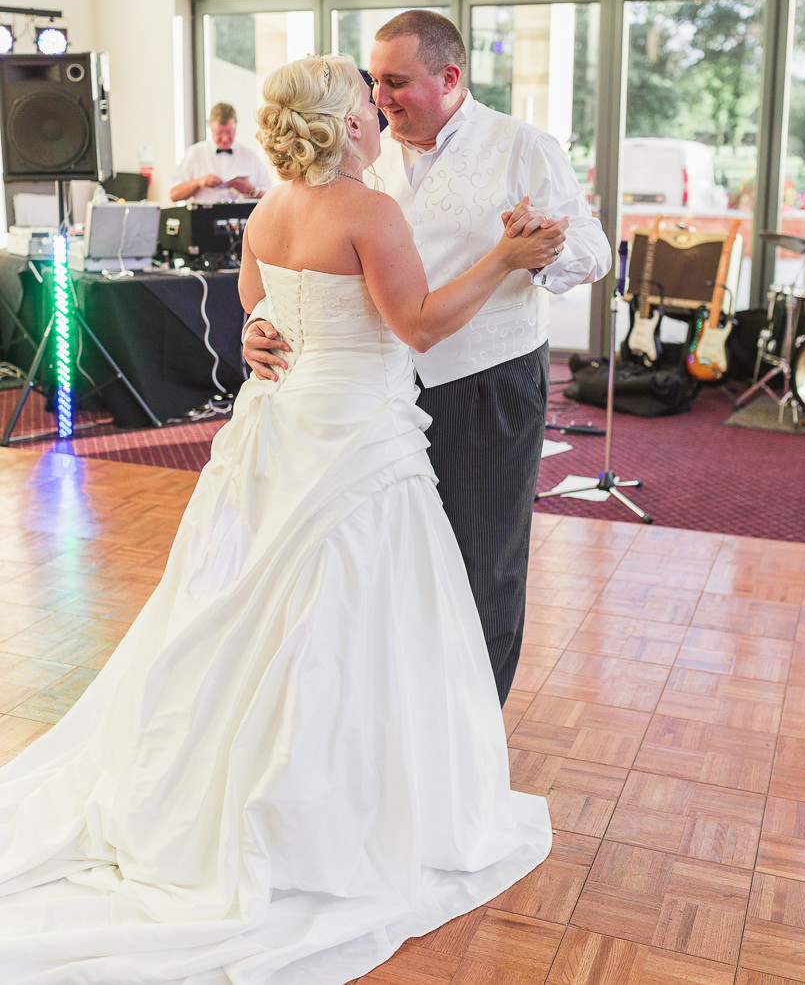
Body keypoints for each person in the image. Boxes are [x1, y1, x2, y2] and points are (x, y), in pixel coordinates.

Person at [0, 55, 559, 984]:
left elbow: (256, 302)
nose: (379, 112)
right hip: (358, 444)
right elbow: (417, 328)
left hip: (282, 430)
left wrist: (261, 329)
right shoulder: (369, 210)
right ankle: (329, 810)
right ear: (344, 125)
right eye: (366, 102)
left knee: (247, 609)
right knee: (348, 619)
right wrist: (504, 260)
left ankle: (228, 773)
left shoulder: (268, 208)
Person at [244, 11, 611, 706]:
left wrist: (541, 246)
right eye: (373, 82)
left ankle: (473, 731)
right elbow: (316, 268)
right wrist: (261, 321)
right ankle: (402, 725)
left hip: (485, 384)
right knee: (393, 567)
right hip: (377, 401)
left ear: (449, 77)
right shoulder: (356, 144)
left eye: (396, 82)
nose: (379, 97)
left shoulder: (521, 146)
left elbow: (593, 249)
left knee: (482, 567)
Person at [169, 100, 274, 203]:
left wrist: (250, 190)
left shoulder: (250, 156)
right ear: (209, 125)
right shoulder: (195, 153)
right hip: (203, 217)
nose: (225, 138)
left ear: (236, 125)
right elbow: (173, 194)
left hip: (243, 218)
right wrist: (199, 182)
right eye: (219, 132)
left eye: (230, 132)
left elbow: (271, 199)